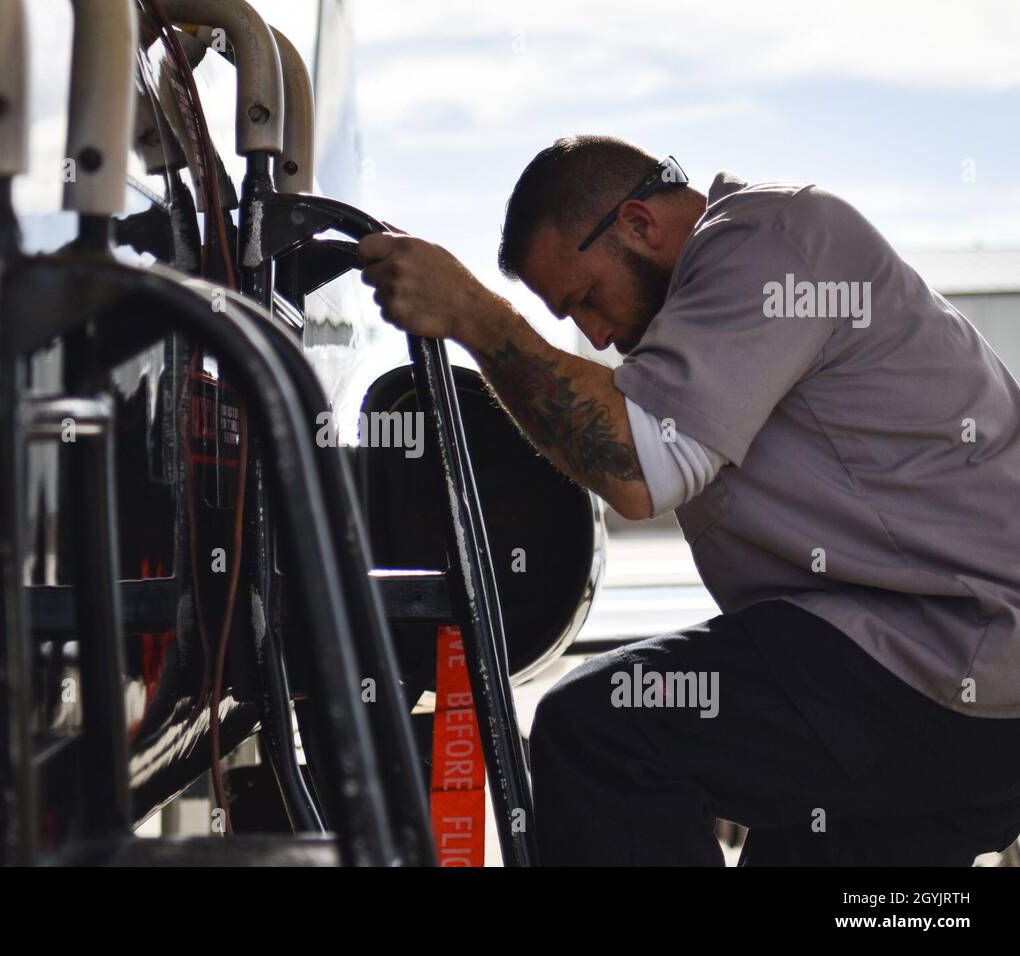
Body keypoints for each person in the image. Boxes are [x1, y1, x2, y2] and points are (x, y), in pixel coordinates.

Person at [357, 134, 1020, 865]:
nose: (598, 335)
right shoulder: (717, 313)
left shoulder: (771, 240)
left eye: (586, 300)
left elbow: (642, 465)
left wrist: (476, 319)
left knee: (605, 729)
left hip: (957, 655)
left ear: (639, 223)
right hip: (940, 688)